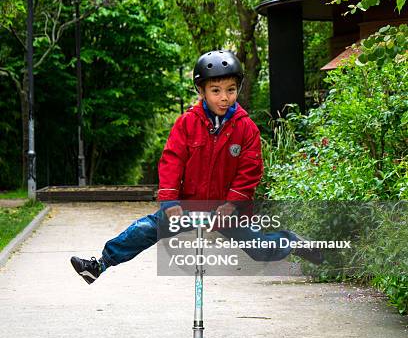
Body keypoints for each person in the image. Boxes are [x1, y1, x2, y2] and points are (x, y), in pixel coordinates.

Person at [70, 49, 321, 284]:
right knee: (146, 229)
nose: (224, 97)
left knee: (258, 247)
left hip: (228, 209)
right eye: (216, 90)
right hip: (188, 205)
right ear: (201, 91)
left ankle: (294, 243)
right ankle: (99, 265)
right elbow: (171, 161)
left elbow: (251, 170)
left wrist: (232, 203)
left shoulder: (246, 128)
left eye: (231, 90)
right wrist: (170, 201)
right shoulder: (187, 123)